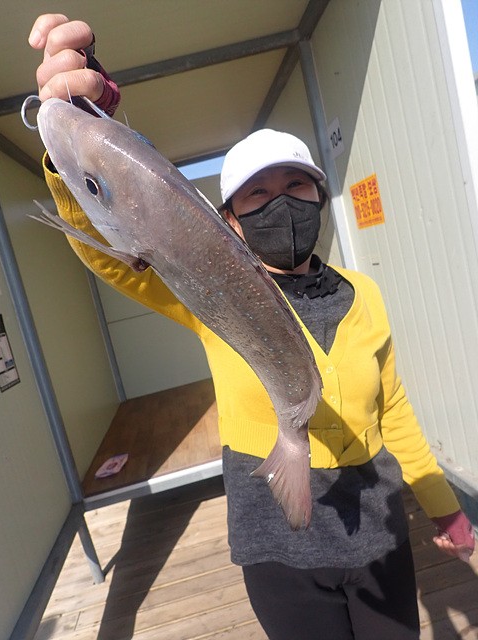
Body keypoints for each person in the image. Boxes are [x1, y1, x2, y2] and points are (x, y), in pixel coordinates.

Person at [29, 14, 475, 640]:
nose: (282, 201)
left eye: (297, 185)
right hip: (276, 546)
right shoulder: (208, 294)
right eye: (257, 195)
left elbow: (393, 405)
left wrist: (446, 509)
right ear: (230, 221)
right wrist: (81, 135)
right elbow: (112, 245)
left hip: (378, 528)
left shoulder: (365, 293)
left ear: (320, 197)